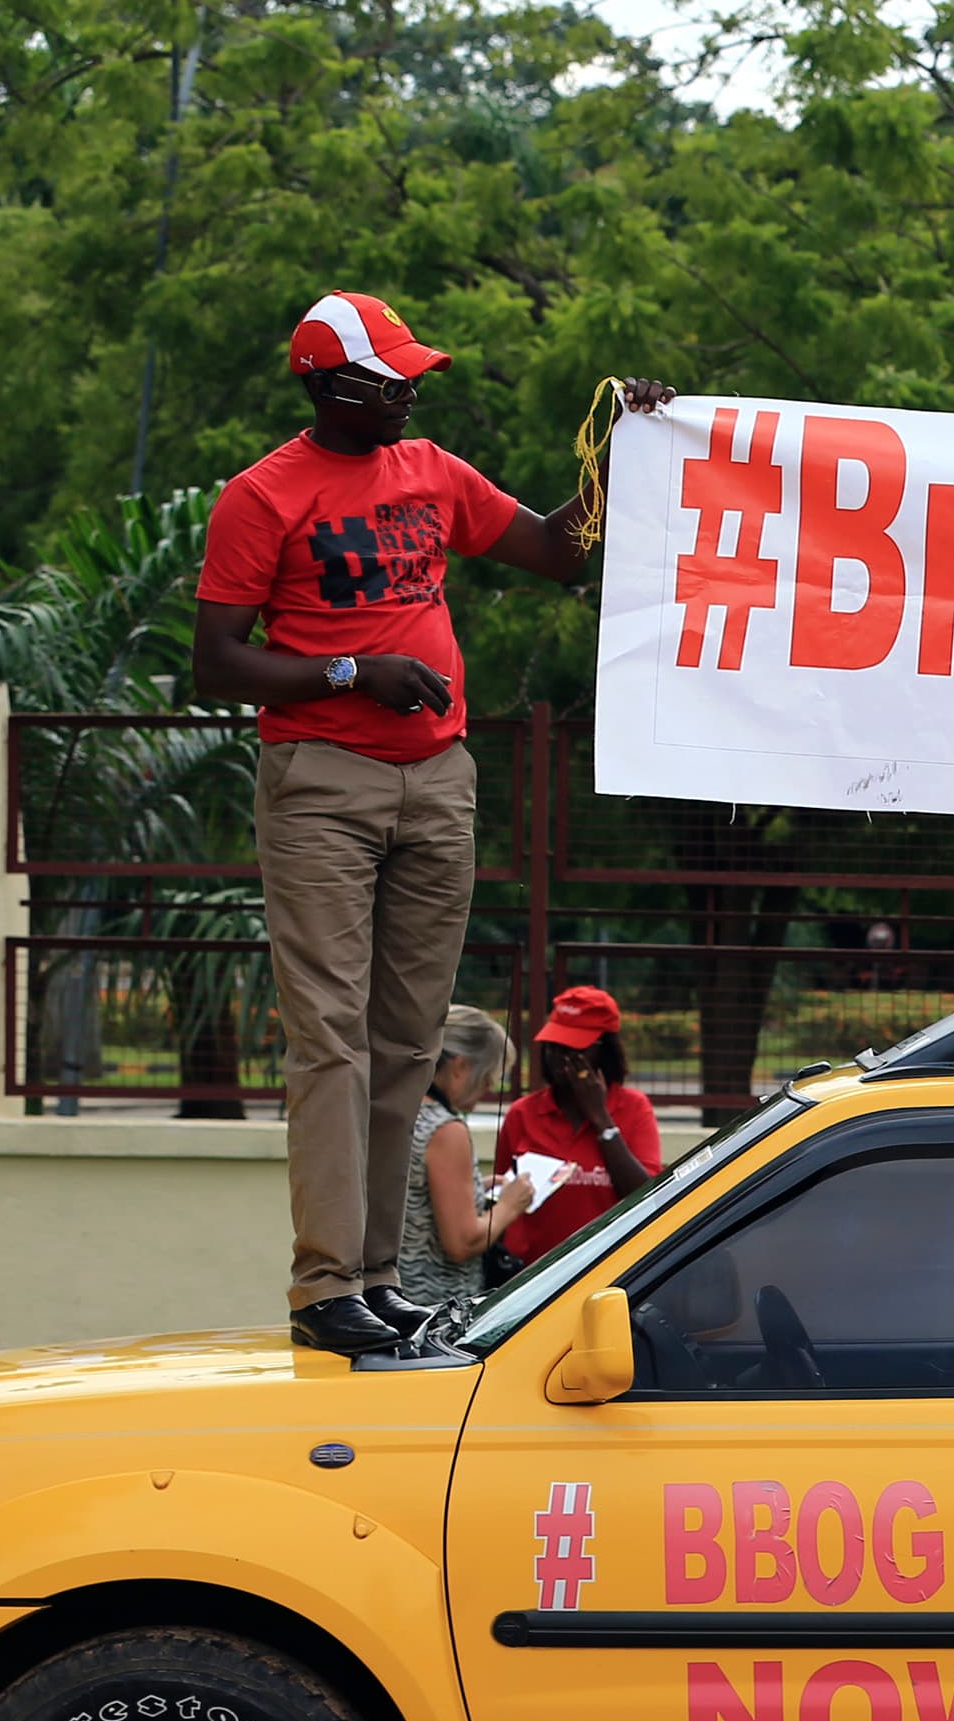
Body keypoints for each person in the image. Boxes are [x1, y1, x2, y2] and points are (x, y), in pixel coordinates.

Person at [192, 288, 670, 1354]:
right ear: (326, 383)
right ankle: (325, 1290)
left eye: (411, 373)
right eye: (387, 377)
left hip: (437, 780)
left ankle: (373, 1276)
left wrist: (617, 459)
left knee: (403, 1044)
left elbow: (556, 552)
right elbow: (217, 658)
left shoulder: (431, 469)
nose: (409, 389)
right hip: (321, 779)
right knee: (330, 1043)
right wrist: (354, 671)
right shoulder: (262, 496)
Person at [494, 985, 664, 1268]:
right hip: (530, 1277)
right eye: (553, 1045)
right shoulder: (523, 1114)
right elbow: (500, 1201)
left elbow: (645, 1195)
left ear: (605, 1051)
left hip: (609, 1270)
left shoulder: (633, 1108)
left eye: (573, 1048)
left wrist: (601, 1119)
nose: (559, 1057)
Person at [399, 1003, 532, 1316]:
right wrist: (510, 1205)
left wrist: (472, 1188)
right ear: (459, 1066)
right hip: (434, 1309)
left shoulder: (401, 1112)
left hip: (397, 1297)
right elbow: (462, 1242)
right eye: (486, 1079)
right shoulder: (446, 1130)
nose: (485, 1092)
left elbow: (414, 1197)